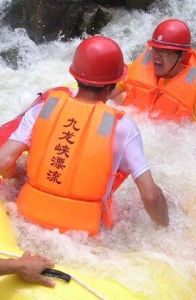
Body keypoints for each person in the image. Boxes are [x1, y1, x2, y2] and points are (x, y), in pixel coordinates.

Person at [0, 36, 169, 236]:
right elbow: (151, 196)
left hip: (27, 219)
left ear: (76, 76)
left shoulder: (43, 110)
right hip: (82, 235)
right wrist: (165, 228)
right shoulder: (124, 128)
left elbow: (4, 160)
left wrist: (21, 175)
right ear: (111, 86)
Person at [111, 19, 196, 126]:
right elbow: (107, 95)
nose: (157, 57)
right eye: (156, 49)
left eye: (165, 52)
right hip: (132, 127)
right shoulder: (137, 70)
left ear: (182, 56)